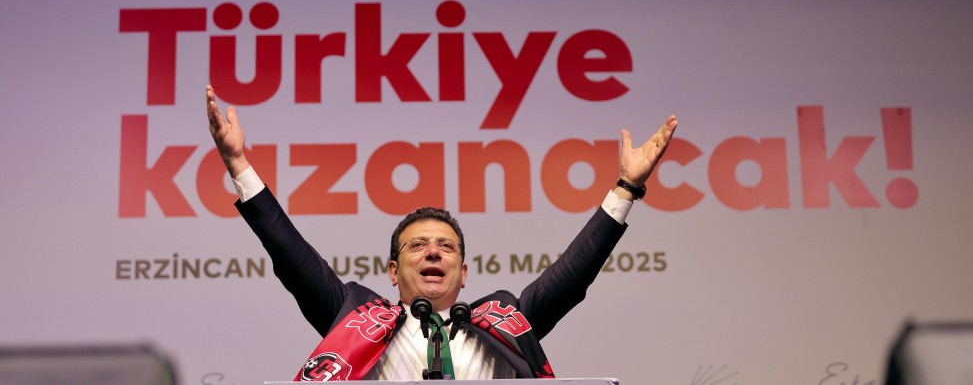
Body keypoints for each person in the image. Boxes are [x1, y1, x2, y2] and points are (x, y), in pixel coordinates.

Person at [205, 85, 678, 381]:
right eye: (418, 245)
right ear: (393, 271)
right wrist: (238, 164)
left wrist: (626, 187)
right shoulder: (352, 315)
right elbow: (290, 254)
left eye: (446, 246)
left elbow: (573, 274)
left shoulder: (506, 321)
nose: (433, 251)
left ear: (464, 272)